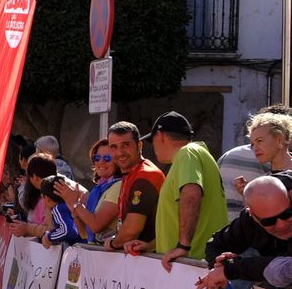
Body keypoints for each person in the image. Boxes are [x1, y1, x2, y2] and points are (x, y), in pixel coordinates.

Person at [197, 172, 292, 289]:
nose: (282, 224)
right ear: (252, 215)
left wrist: (232, 269)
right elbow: (215, 244)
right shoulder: (249, 219)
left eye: (287, 214)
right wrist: (220, 266)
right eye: (269, 221)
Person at [137, 112, 227, 270]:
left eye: (152, 141)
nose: (153, 147)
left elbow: (192, 194)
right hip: (191, 262)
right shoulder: (195, 154)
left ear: (161, 135)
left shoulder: (187, 153)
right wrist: (150, 245)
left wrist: (183, 246)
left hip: (191, 264)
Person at [217, 107, 292, 221]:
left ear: (279, 140)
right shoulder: (264, 178)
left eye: (259, 141)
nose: (255, 148)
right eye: (252, 144)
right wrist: (248, 195)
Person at [105, 122, 165, 253]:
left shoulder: (146, 175)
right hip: (140, 258)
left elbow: (133, 229)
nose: (120, 152)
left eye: (126, 145)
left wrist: (113, 244)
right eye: (114, 147)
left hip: (152, 260)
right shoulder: (131, 174)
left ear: (139, 145)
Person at [55, 139, 121, 243]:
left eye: (107, 158)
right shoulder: (97, 189)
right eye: (97, 158)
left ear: (117, 161)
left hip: (111, 255)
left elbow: (95, 226)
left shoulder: (118, 186)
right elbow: (84, 234)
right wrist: (74, 210)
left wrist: (75, 203)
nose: (101, 162)